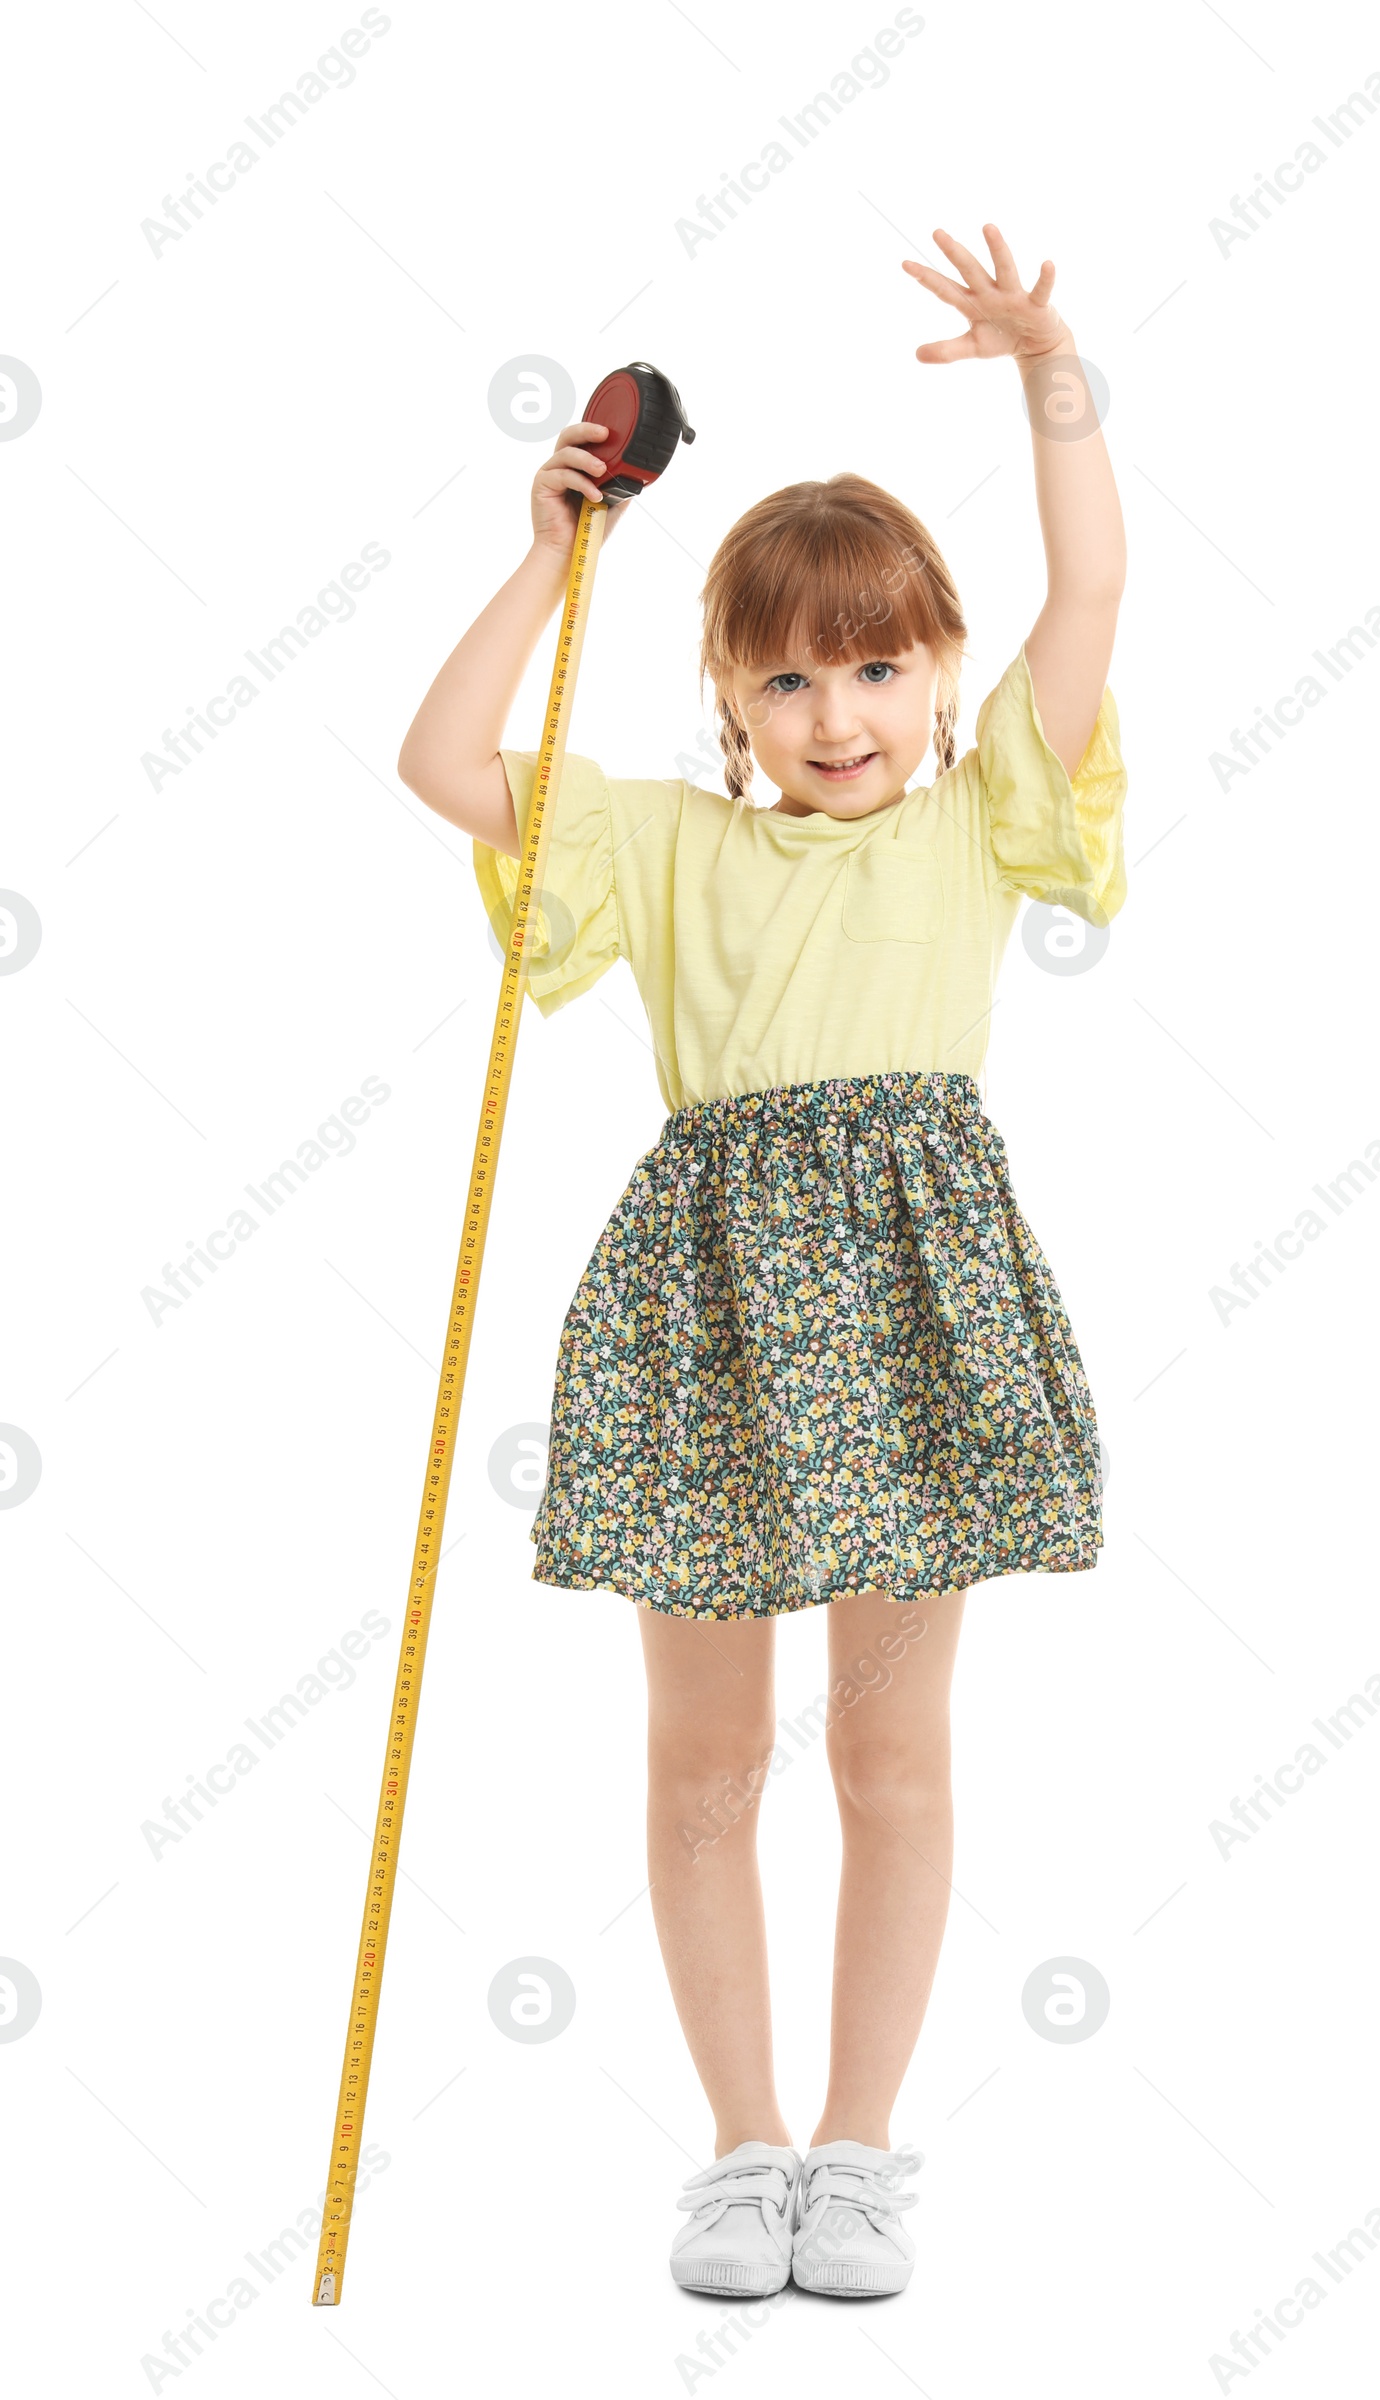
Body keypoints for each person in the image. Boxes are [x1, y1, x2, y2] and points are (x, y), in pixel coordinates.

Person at [398, 222, 1128, 2299]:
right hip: (707, 1311)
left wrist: (1045, 373)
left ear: (936, 672)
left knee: (888, 1750)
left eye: (878, 662)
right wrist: (556, 553)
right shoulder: (659, 841)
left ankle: (862, 2152)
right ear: (726, 691)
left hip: (908, 1306)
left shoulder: (979, 814)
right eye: (790, 670)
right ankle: (739, 2150)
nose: (837, 710)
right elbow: (444, 766)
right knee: (705, 1755)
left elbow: (1089, 589)